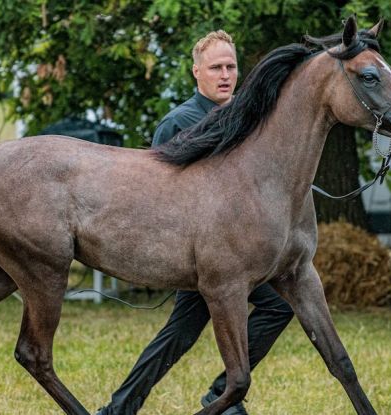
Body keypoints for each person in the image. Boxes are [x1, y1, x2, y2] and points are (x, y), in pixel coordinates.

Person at [96, 30, 294, 415]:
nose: (225, 75)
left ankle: (134, 407)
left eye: (231, 67)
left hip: (236, 255)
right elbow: (154, 192)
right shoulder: (178, 123)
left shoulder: (249, 118)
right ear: (196, 73)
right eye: (216, 67)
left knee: (186, 333)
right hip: (195, 255)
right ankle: (220, 395)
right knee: (192, 330)